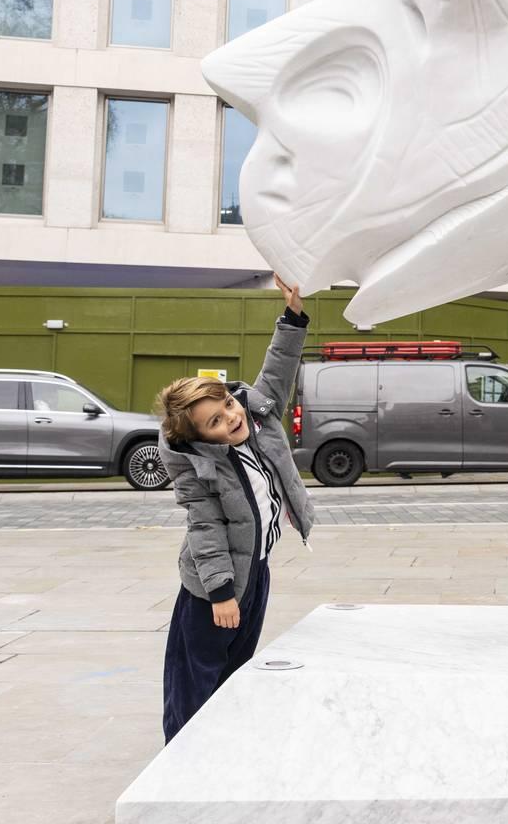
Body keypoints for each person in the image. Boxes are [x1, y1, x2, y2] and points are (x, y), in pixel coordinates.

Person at [153, 281, 316, 742]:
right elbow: (204, 525)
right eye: (216, 422)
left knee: (235, 670)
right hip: (214, 586)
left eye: (226, 404)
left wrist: (293, 317)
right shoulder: (200, 465)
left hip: (256, 571)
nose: (231, 418)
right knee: (195, 679)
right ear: (201, 437)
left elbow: (279, 370)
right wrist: (221, 592)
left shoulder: (258, 414)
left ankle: (219, 749)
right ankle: (181, 757)